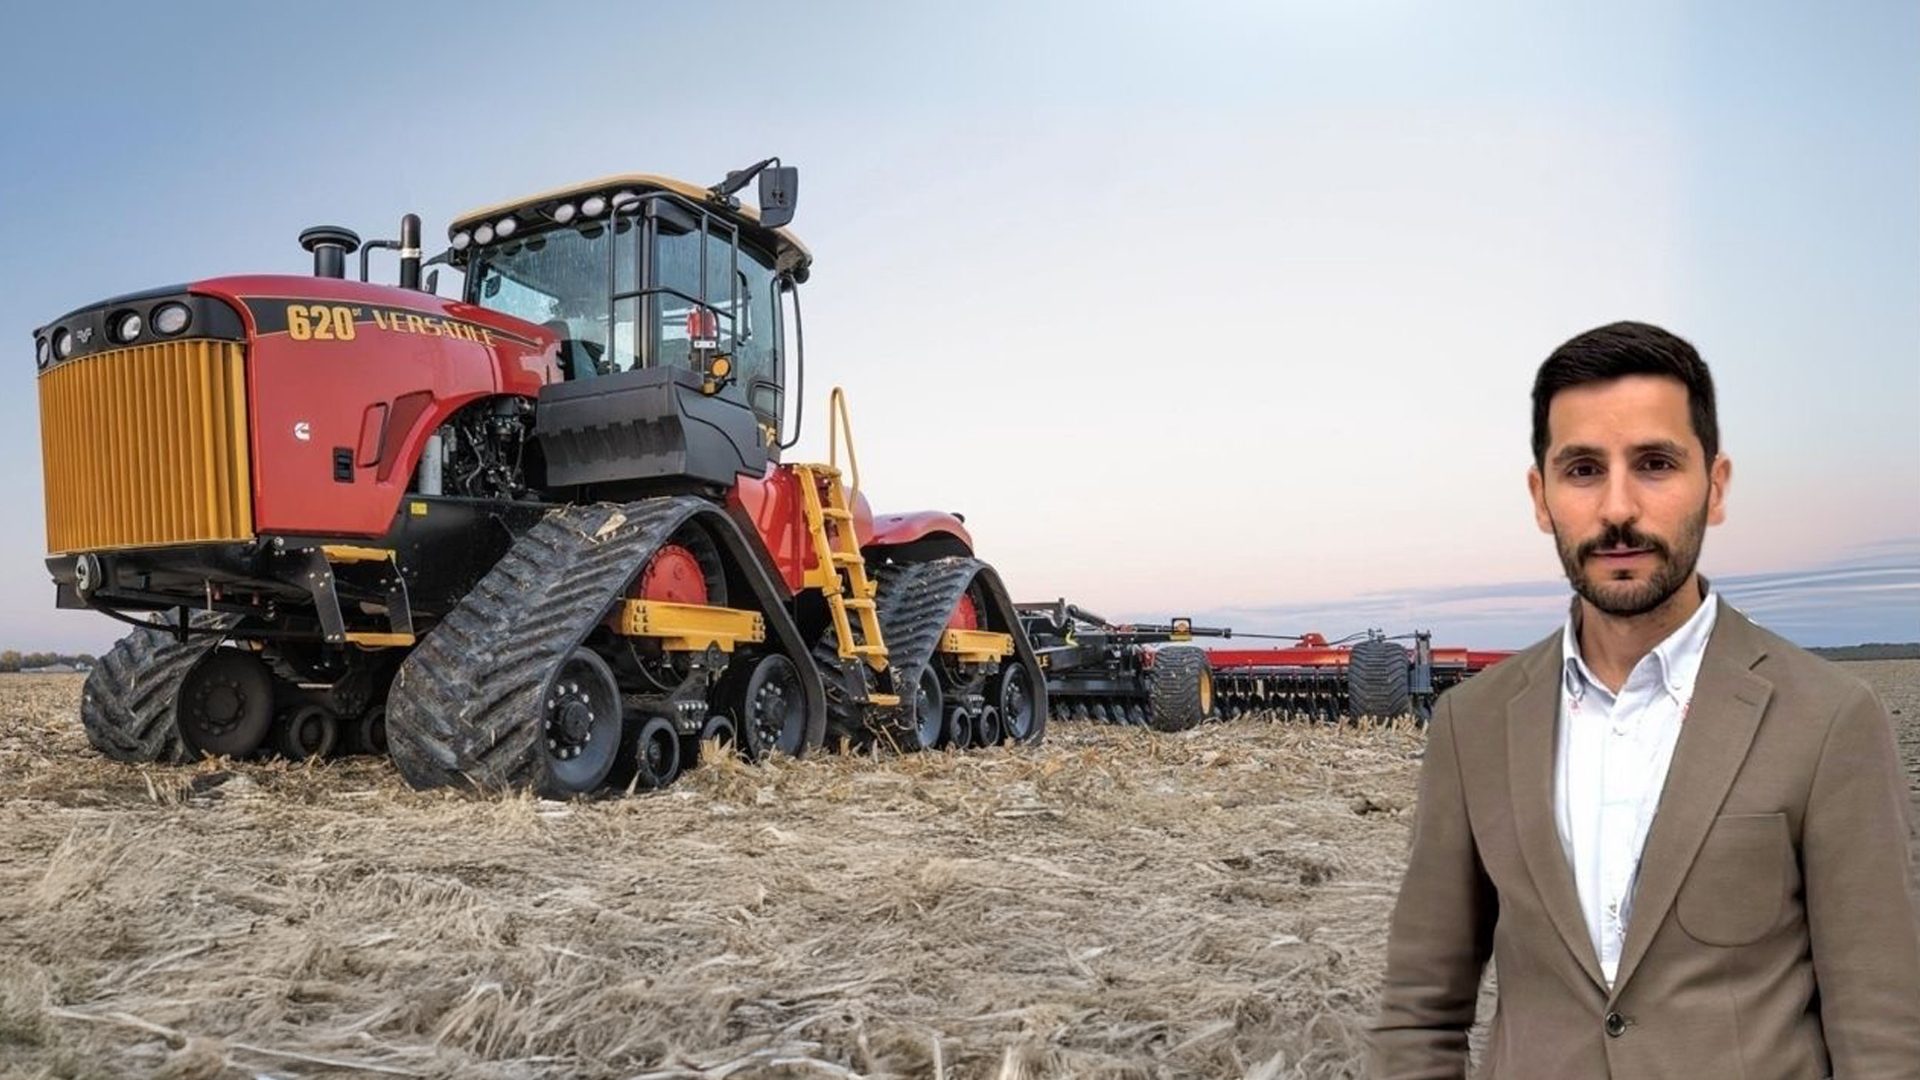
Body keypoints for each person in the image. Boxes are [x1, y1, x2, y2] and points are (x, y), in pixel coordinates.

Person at [1371, 321, 1920, 1078]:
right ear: (1541, 496)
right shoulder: (1474, 724)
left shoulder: (1826, 718)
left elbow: (1883, 1028)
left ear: (1715, 487)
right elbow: (1419, 1013)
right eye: (1583, 469)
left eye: (1656, 464)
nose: (1619, 508)